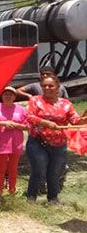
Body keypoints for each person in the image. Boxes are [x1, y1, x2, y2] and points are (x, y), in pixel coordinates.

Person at [25, 75, 87, 204]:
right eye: (44, 86)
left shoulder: (66, 104)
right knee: (39, 169)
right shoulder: (35, 100)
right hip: (38, 141)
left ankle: (53, 198)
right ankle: (31, 197)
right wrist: (44, 122)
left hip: (59, 143)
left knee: (54, 172)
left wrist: (84, 119)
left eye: (50, 86)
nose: (47, 88)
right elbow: (29, 116)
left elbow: (75, 121)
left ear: (58, 87)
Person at [0, 87, 29, 199]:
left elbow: (28, 126)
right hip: (2, 143)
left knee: (13, 169)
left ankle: (12, 191)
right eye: (6, 94)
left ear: (15, 97)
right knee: (1, 168)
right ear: (2, 96)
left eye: (11, 94)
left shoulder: (21, 109)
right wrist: (3, 123)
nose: (8, 96)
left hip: (16, 142)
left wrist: (16, 125)